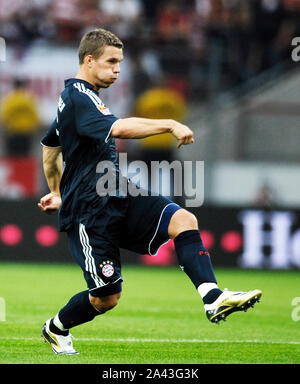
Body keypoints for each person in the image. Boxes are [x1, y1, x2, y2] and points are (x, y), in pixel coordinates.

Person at [38, 28, 262, 355]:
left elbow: (49, 147)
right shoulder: (79, 97)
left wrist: (55, 190)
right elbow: (118, 128)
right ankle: (56, 328)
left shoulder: (75, 99)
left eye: (120, 62)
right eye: (111, 61)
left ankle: (213, 299)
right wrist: (169, 124)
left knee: (183, 220)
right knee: (107, 297)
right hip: (88, 207)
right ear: (89, 60)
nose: (118, 69)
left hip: (115, 189)